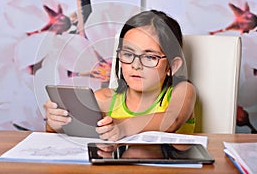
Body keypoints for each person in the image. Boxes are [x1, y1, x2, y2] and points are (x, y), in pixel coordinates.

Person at [44, 10, 196, 141]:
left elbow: (172, 120)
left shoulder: (182, 91)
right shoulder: (104, 100)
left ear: (172, 66)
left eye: (150, 57)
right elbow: (62, 134)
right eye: (128, 54)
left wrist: (122, 127)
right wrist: (55, 123)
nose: (136, 65)